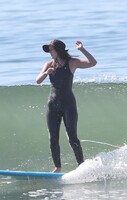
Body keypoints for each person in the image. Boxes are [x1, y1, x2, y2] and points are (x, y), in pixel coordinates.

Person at [36, 39, 97, 173]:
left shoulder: (72, 63)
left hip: (68, 105)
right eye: (49, 50)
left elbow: (93, 63)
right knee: (53, 138)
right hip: (52, 105)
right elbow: (38, 80)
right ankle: (57, 167)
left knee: (72, 137)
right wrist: (47, 73)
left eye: (52, 50)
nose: (50, 53)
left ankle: (81, 167)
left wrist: (82, 50)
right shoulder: (48, 65)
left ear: (58, 50)